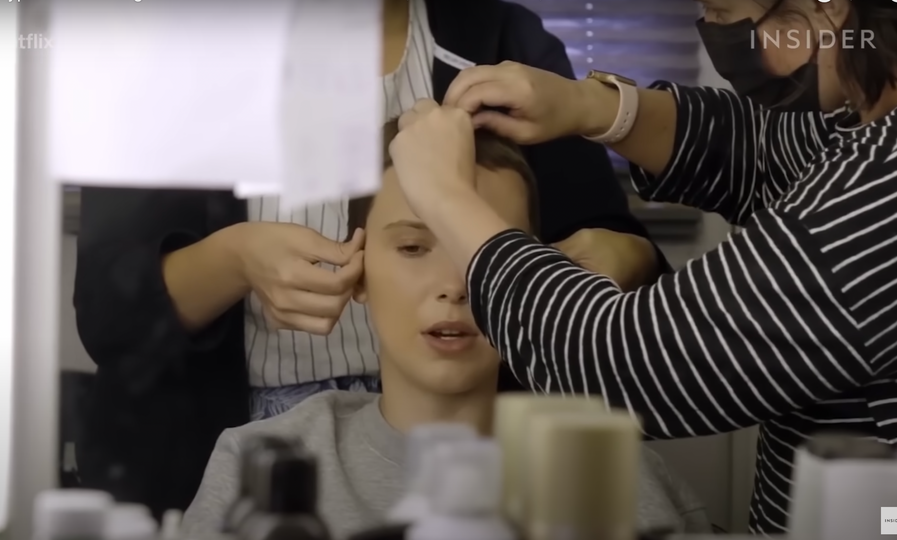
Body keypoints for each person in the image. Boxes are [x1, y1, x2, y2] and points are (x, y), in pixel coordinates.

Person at [73, 0, 666, 518]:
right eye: (411, 246)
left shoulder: (503, 46)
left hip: (464, 442)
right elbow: (108, 312)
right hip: (197, 444)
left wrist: (621, 257)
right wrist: (234, 260)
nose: (450, 285)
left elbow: (615, 250)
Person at [385, 0, 897, 534]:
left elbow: (618, 364)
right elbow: (768, 153)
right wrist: (594, 107)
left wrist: (448, 199)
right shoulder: (875, 119)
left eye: (723, 11)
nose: (711, 30)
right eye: (411, 248)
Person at [180, 121, 712, 539]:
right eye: (413, 248)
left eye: (483, 252)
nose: (454, 286)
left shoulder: (627, 481)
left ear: (535, 275)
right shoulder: (259, 468)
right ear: (358, 270)